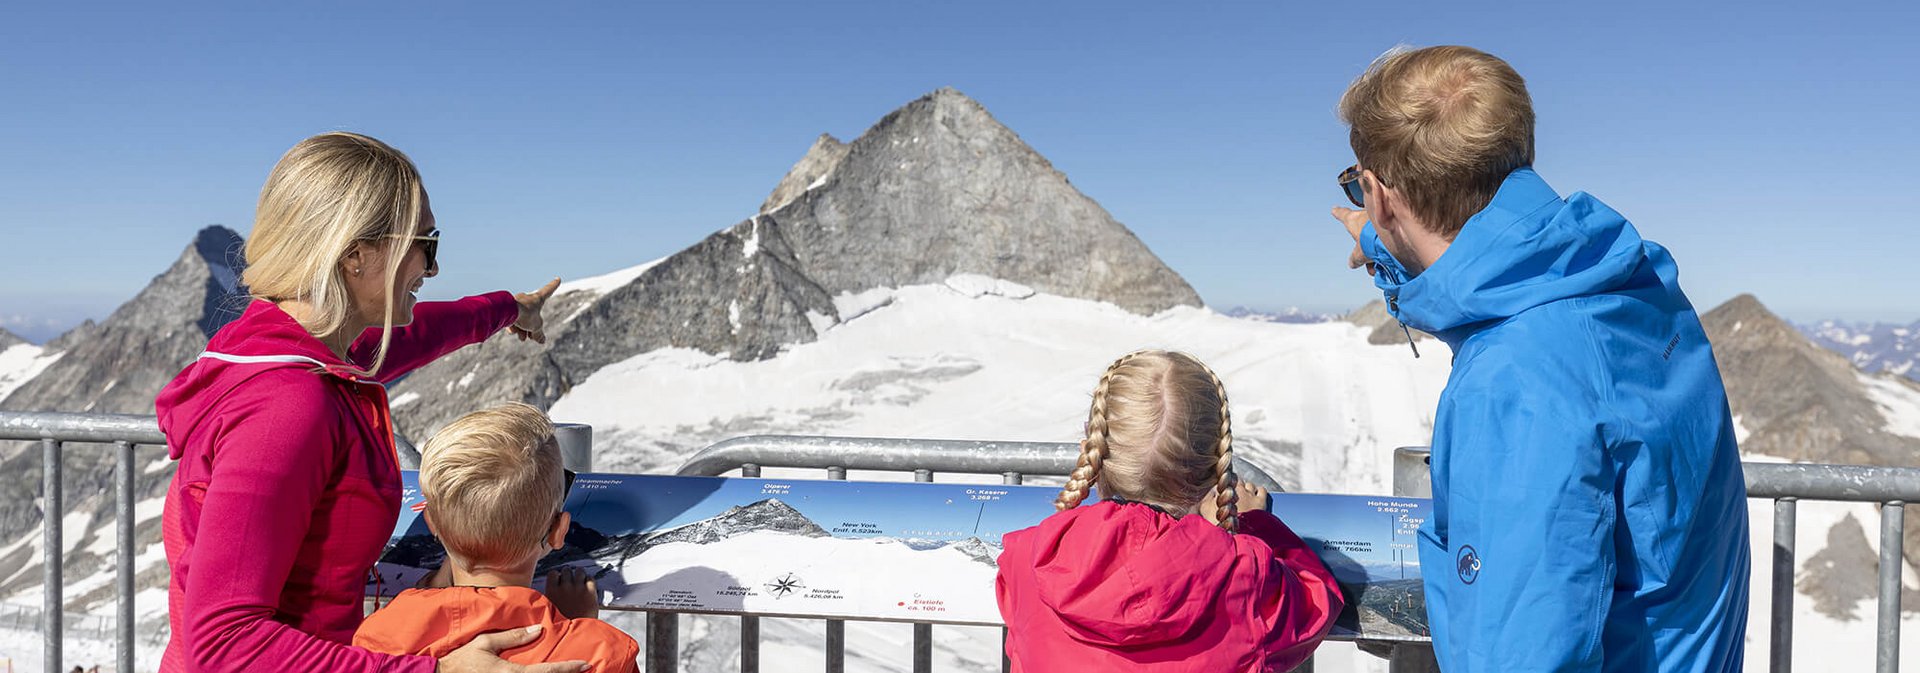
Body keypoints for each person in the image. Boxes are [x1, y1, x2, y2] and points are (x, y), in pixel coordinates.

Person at [1331, 46, 1750, 671]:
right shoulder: (1625, 283)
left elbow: (1522, 655)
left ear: (1377, 192)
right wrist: (1382, 241)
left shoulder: (1514, 382)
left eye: (1359, 186)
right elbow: (1492, 267)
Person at [157, 132, 581, 673]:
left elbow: (398, 339)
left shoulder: (263, 347)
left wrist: (508, 309)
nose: (432, 268)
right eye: (425, 242)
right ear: (356, 253)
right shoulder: (285, 408)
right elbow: (226, 646)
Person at [995, 350, 1344, 672]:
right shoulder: (1242, 574)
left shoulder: (1028, 557)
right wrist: (1256, 524)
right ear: (1215, 468)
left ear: (1092, 451)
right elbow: (1316, 600)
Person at [356, 403, 639, 672]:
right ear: (558, 531)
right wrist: (577, 626)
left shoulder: (378, 638)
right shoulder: (604, 654)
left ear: (431, 522)